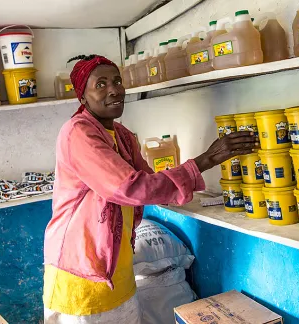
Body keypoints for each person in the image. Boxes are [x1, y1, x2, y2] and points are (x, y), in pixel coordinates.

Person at [43, 54, 256, 323]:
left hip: (118, 272)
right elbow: (130, 188)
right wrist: (205, 160)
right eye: (101, 84)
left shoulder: (121, 135)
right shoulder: (78, 133)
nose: (114, 90)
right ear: (82, 97)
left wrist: (191, 187)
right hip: (81, 276)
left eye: (117, 81)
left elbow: (149, 181)